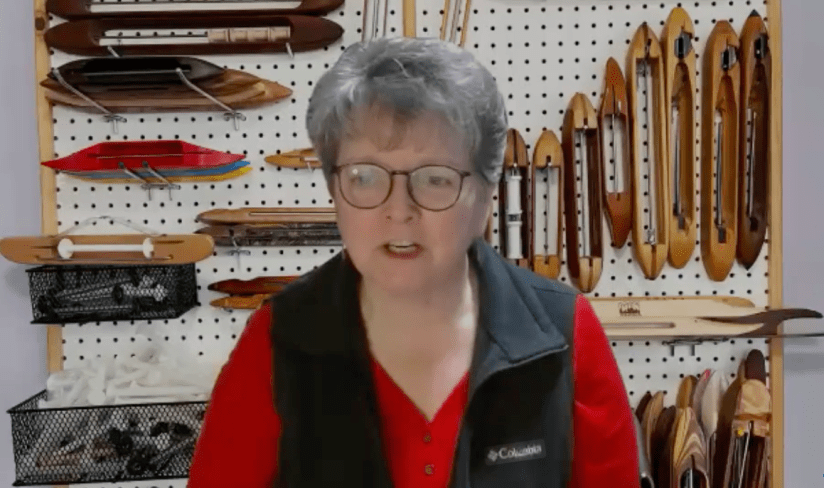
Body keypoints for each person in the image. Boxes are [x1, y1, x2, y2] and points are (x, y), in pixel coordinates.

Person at [187, 37, 639, 487]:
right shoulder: (277, 341)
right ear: (333, 188)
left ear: (484, 195)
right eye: (364, 177)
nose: (398, 209)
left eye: (435, 179)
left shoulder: (564, 334)